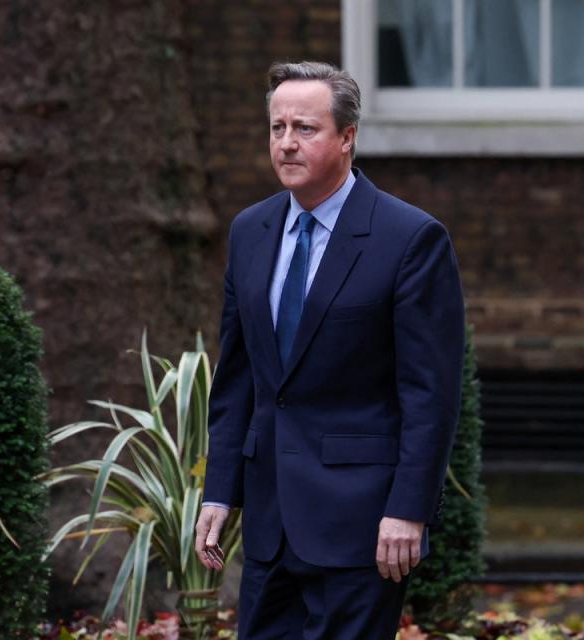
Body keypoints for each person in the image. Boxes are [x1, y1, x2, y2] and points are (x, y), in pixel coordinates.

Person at [194, 60, 465, 639]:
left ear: (347, 137)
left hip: (363, 527)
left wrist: (409, 509)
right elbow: (239, 376)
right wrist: (219, 490)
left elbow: (431, 394)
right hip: (270, 527)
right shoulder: (249, 231)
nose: (287, 144)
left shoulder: (410, 239)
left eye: (305, 129)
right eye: (277, 128)